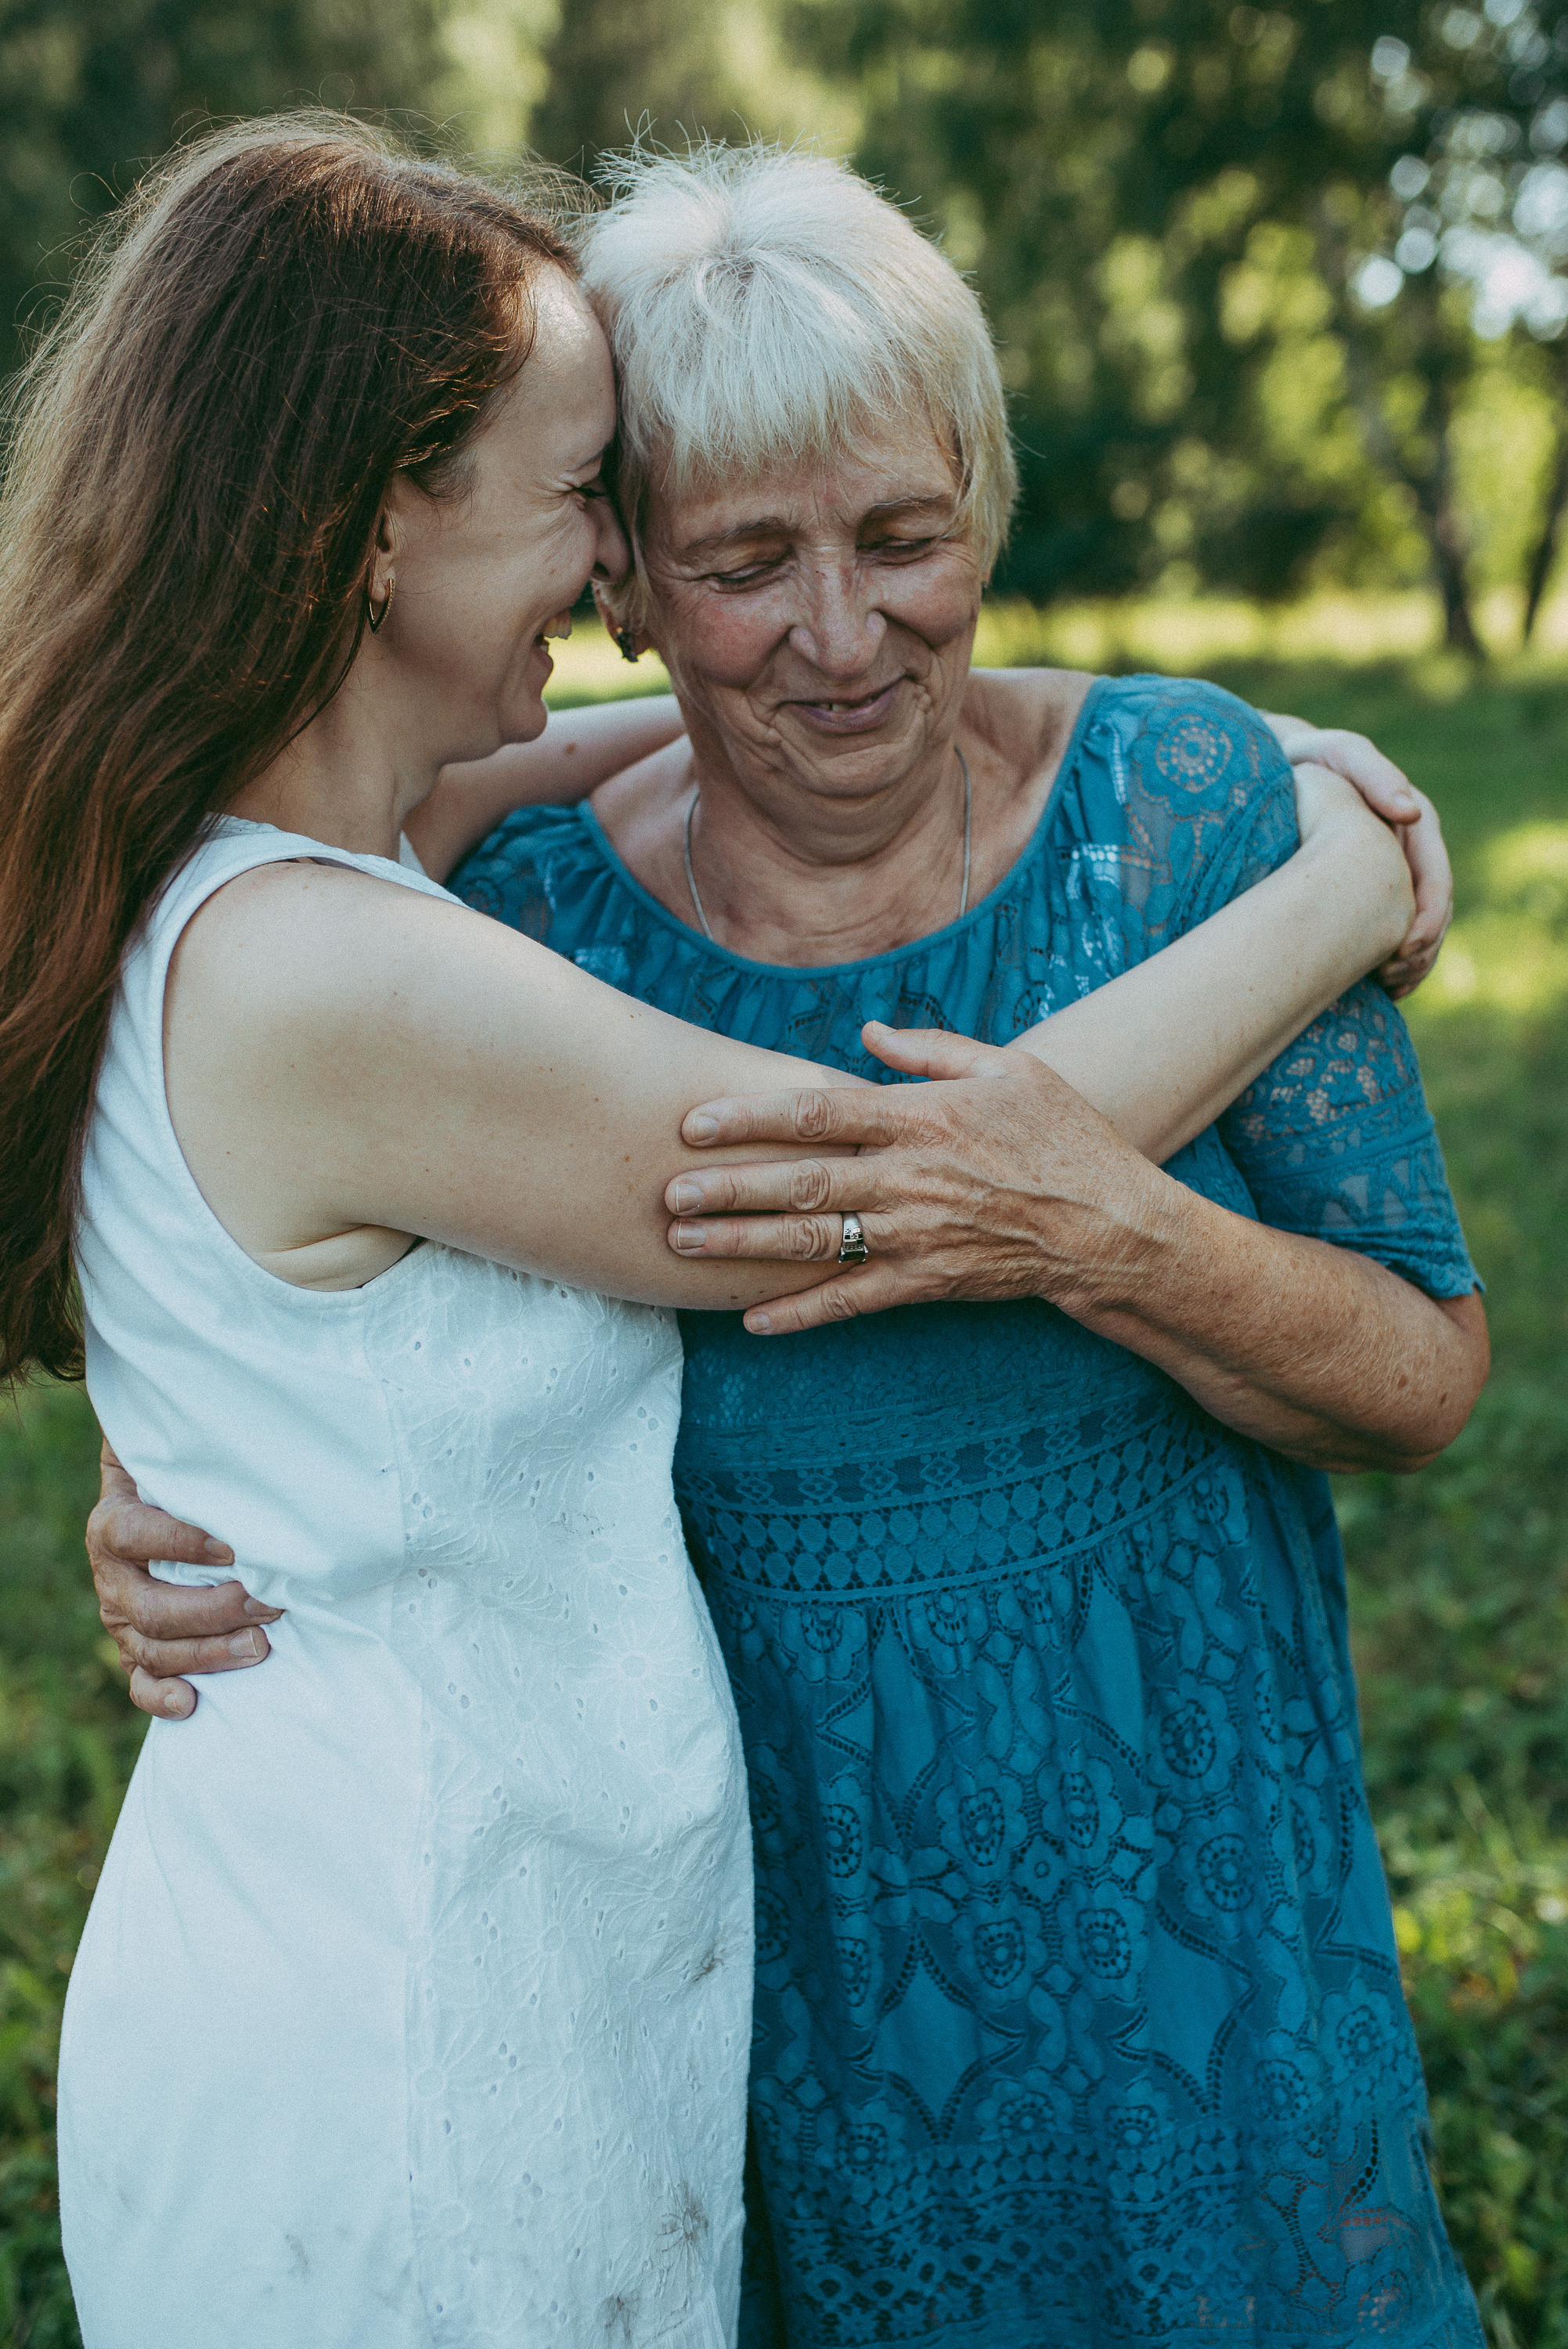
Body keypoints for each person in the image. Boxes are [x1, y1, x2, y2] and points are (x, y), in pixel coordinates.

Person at [77, 142, 1487, 2349]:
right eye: (717, 557)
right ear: (616, 573)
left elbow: (1422, 1376)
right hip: (625, 1982)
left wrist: (1203, 826)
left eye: (904, 540)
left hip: (1159, 1921)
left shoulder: (1176, 815)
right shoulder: (464, 938)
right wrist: (1343, 889)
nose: (835, 632)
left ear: (984, 511)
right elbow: (874, 1182)